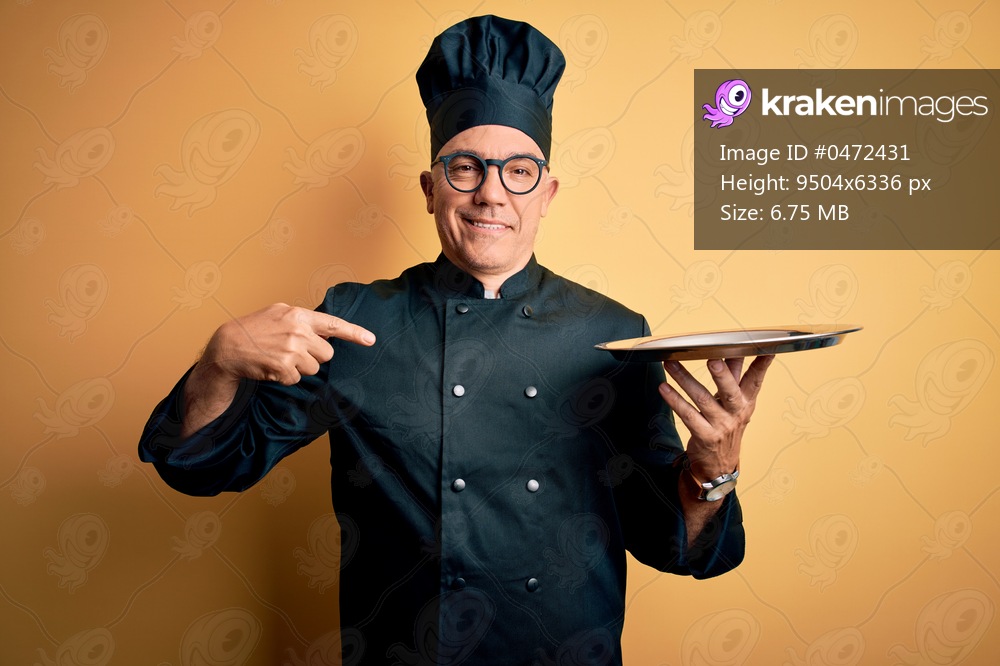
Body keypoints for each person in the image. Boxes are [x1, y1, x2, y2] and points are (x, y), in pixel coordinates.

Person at [138, 15, 772, 665]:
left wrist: (712, 468)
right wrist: (217, 362)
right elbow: (208, 467)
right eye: (465, 167)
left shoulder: (612, 335)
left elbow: (670, 541)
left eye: (519, 171)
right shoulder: (354, 322)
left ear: (547, 193)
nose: (491, 194)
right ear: (430, 188)